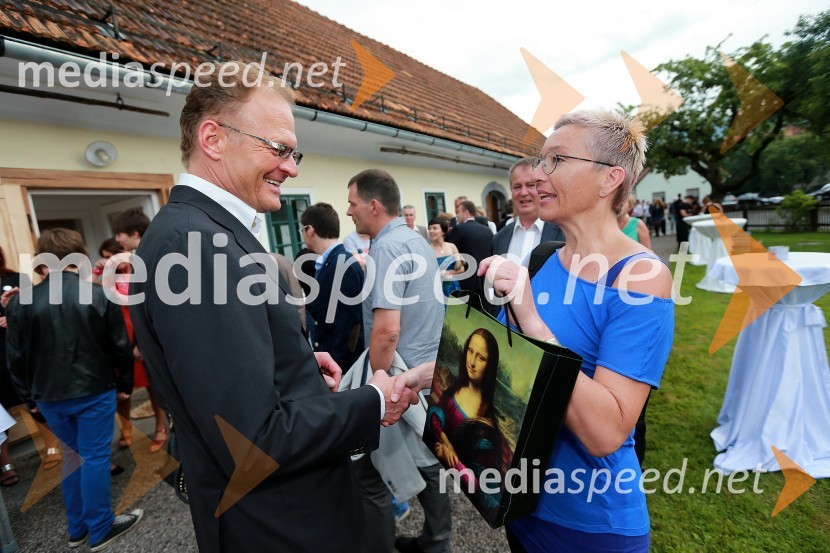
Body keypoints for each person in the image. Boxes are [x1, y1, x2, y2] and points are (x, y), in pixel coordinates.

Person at [129, 61, 416, 553]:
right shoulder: (197, 246)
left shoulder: (206, 232)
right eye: (279, 148)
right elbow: (253, 442)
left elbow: (235, 386)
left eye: (294, 151)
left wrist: (296, 367)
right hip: (281, 528)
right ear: (213, 139)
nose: (292, 166)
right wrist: (370, 400)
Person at [480, 109, 674, 553]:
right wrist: (431, 375)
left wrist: (531, 319)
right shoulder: (546, 259)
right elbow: (512, 370)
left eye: (557, 160)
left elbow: (605, 432)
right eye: (540, 159)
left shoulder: (640, 276)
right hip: (523, 505)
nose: (538, 173)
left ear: (609, 179)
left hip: (591, 525)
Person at [5, 228, 141, 551]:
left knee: (72, 456)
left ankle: (77, 529)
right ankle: (100, 527)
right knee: (93, 457)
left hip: (48, 395)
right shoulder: (96, 294)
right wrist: (125, 385)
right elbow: (121, 347)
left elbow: (16, 359)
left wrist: (29, 398)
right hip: (94, 389)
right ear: (77, 254)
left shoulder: (20, 302)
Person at [346, 169, 451, 553]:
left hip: (399, 377)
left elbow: (387, 329)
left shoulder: (388, 248)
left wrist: (377, 381)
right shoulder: (414, 239)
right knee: (422, 460)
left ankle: (408, 545)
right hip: (422, 370)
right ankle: (435, 540)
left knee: (375, 470)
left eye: (352, 204)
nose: (348, 212)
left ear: (373, 206)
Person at [426, 328, 505, 517]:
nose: (472, 362)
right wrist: (444, 441)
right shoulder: (454, 391)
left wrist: (450, 459)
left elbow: (483, 485)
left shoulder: (487, 428)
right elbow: (435, 417)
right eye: (470, 351)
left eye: (481, 357)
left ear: (490, 365)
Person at [111, 209, 168, 450]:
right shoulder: (138, 257)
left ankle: (165, 428)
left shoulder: (153, 255)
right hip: (140, 340)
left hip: (156, 340)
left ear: (134, 233)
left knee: (160, 387)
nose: (116, 239)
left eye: (119, 234)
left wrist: (141, 343)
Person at [301, 202, 365, 372]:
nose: (302, 235)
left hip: (342, 365)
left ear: (310, 230)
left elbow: (347, 323)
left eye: (302, 230)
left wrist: (337, 364)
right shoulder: (331, 261)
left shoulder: (341, 263)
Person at [492, 158, 565, 262]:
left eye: (530, 185)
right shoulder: (499, 238)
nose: (523, 193)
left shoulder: (564, 232)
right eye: (517, 186)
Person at [447, 200, 494, 295]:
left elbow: (451, 252)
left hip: (466, 278)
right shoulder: (487, 230)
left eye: (458, 212)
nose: (457, 216)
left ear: (466, 212)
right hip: (485, 278)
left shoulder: (459, 229)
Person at [427, 217, 463, 298]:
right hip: (437, 290)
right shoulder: (427, 250)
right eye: (429, 228)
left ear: (443, 231)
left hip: (453, 287)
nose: (431, 231)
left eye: (435, 228)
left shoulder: (452, 247)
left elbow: (461, 268)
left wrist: (449, 272)